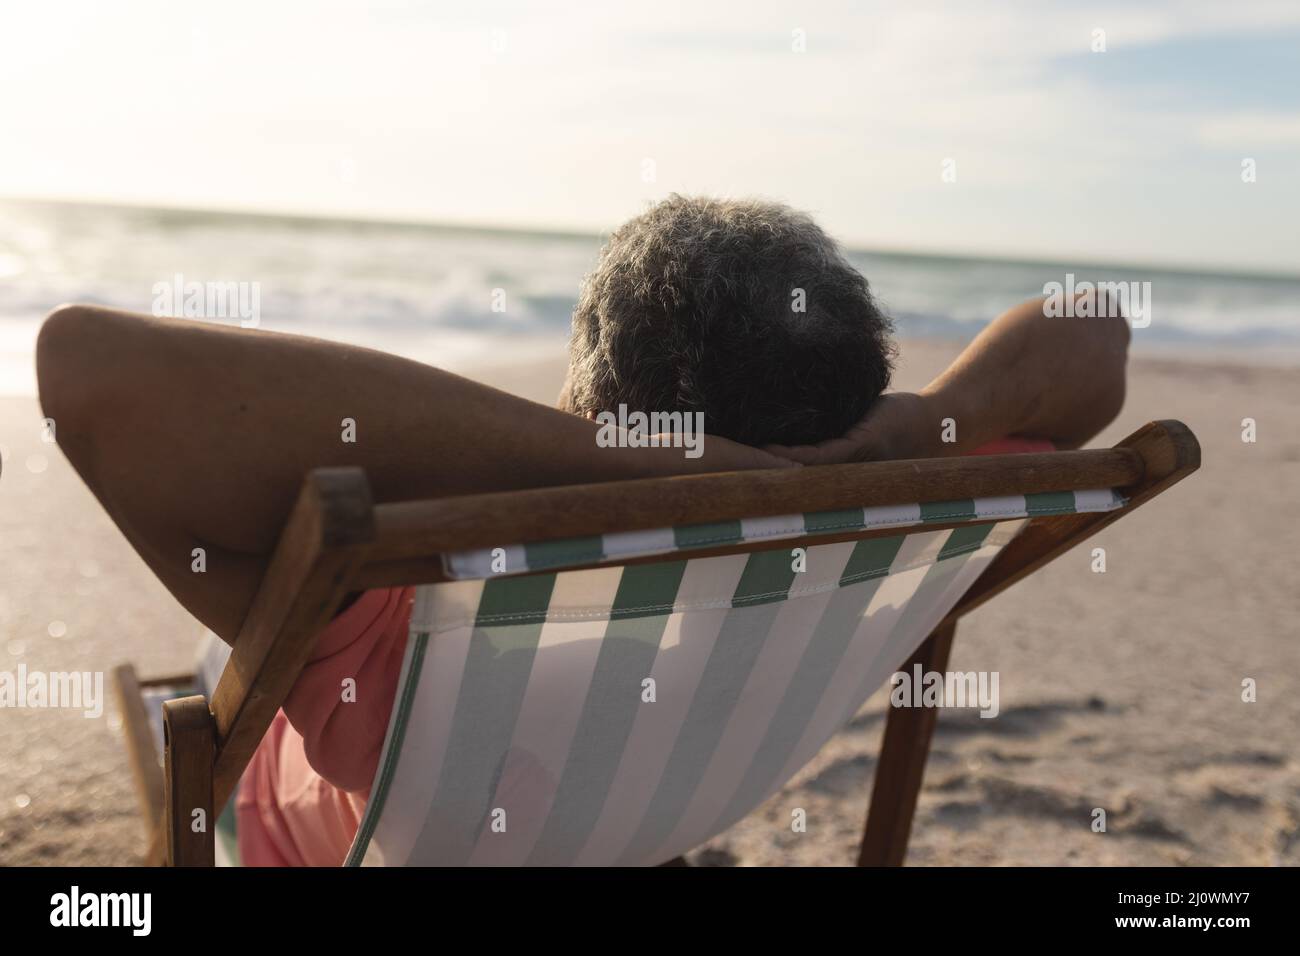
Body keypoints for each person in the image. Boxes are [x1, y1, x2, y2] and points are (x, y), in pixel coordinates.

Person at [35, 196, 1128, 864]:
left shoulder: (381, 610)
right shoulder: (873, 531)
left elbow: (90, 367)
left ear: (584, 403)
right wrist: (916, 424)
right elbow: (1093, 327)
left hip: (354, 838)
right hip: (658, 804)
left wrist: (611, 458)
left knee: (224, 657)